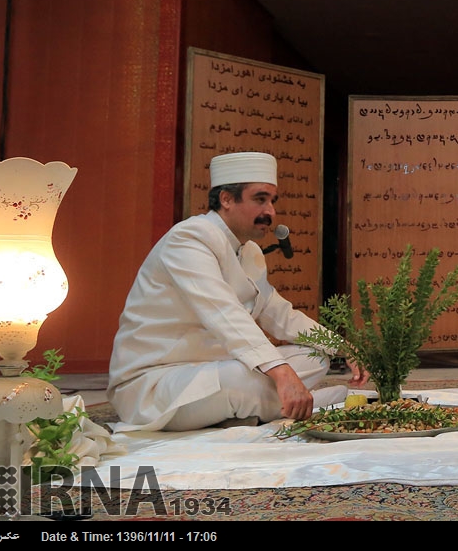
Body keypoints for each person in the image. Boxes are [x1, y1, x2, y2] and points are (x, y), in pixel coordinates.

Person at [108, 151, 368, 431]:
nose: (270, 212)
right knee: (244, 380)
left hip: (212, 370)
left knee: (314, 358)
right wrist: (280, 373)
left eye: (272, 201)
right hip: (156, 384)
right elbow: (223, 313)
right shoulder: (189, 239)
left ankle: (266, 407)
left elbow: (279, 314)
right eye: (260, 199)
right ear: (227, 199)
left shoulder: (249, 251)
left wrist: (342, 348)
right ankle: (311, 405)